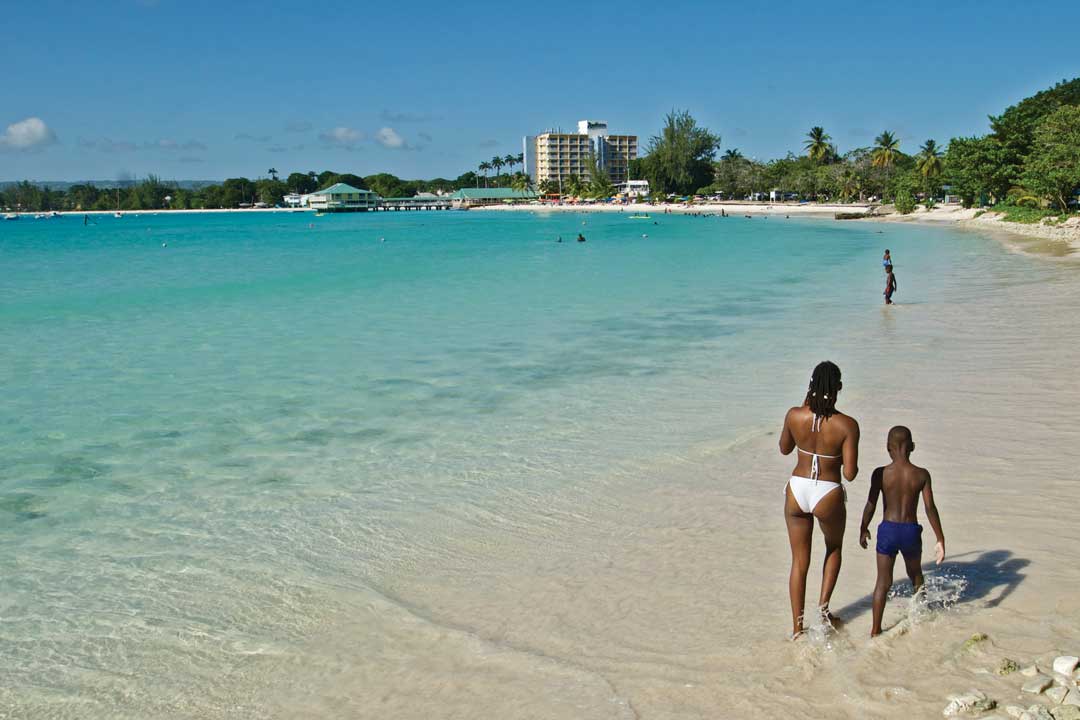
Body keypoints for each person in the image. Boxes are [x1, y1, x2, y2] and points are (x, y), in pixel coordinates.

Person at [779, 361, 860, 638]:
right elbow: (849, 474)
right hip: (827, 490)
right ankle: (823, 614)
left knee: (799, 562)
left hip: (797, 488)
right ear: (838, 388)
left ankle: (796, 629)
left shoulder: (794, 415)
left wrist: (806, 404)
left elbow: (784, 448)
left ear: (810, 385)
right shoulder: (847, 425)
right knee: (833, 547)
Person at [859, 426, 945, 637]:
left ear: (888, 448)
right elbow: (929, 508)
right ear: (913, 447)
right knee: (916, 576)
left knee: (883, 582)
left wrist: (863, 527)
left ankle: (875, 630)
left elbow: (871, 504)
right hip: (910, 532)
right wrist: (940, 538)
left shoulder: (880, 473)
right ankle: (921, 616)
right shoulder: (921, 474)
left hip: (887, 530)